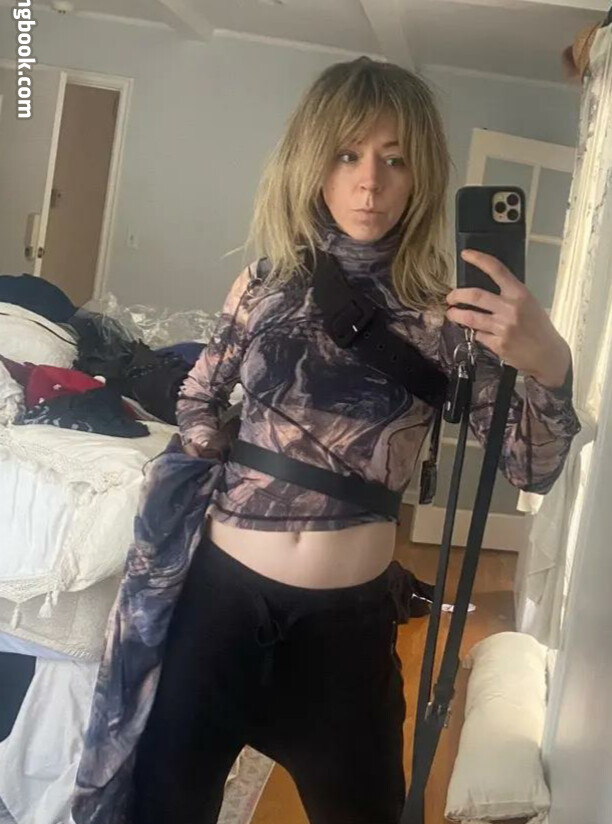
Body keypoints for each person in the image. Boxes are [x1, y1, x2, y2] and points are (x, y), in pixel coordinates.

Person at [131, 57, 580, 824]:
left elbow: (527, 466)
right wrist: (215, 458)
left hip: (344, 632)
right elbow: (198, 394)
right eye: (346, 155)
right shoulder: (265, 283)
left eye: (392, 159)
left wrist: (549, 365)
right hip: (219, 610)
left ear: (420, 175)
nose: (368, 182)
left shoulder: (448, 317)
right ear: (312, 161)